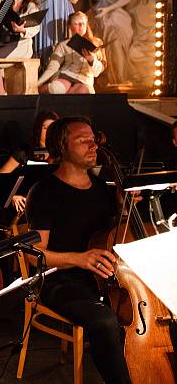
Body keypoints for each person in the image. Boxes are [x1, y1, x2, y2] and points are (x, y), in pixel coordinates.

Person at [26, 116, 132, 384]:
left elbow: (113, 237)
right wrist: (80, 259)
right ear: (62, 147)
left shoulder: (102, 189)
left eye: (92, 138)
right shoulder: (45, 192)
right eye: (82, 140)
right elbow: (34, 254)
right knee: (106, 323)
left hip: (107, 279)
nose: (93, 144)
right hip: (60, 281)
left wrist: (123, 207)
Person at [38, 11, 105, 94]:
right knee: (56, 89)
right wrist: (37, 84)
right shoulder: (63, 45)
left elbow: (101, 69)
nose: (81, 26)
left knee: (79, 93)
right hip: (66, 75)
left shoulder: (97, 43)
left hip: (85, 79)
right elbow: (53, 67)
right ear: (70, 26)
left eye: (83, 23)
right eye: (76, 23)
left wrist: (91, 60)